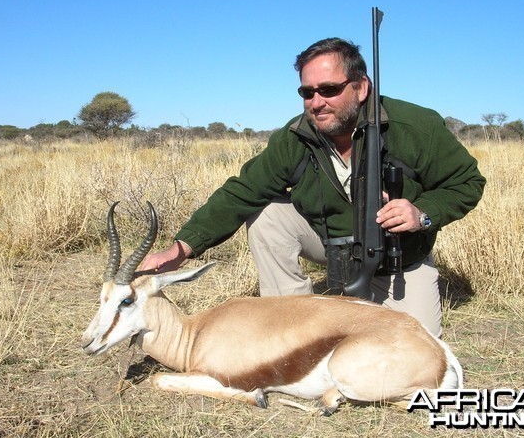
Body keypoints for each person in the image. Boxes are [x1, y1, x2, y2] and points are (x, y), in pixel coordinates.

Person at [140, 38, 486, 337]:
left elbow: (466, 183)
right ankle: (287, 322)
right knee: (267, 214)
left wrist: (422, 214)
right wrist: (181, 249)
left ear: (361, 87)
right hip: (329, 244)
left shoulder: (416, 126)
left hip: (399, 259)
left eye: (330, 89)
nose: (316, 102)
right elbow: (243, 191)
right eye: (307, 92)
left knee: (415, 351)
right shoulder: (295, 135)